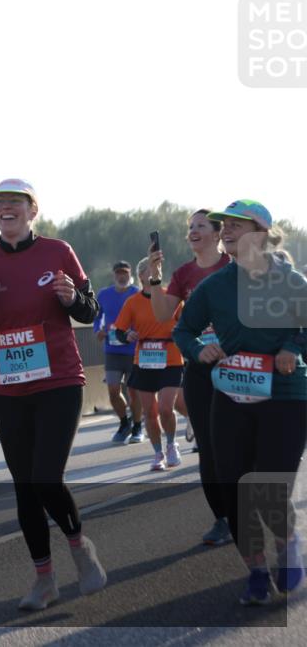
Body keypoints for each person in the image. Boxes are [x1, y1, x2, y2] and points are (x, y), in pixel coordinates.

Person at [0, 178, 106, 611]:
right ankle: (44, 580)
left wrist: (72, 296)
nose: (5, 208)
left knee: (45, 476)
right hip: (8, 388)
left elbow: (89, 311)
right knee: (25, 487)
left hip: (59, 380)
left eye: (14, 203)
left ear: (31, 210)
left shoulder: (58, 252)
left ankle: (79, 547)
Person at [173, 200, 307, 605]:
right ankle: (254, 570)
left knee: (268, 486)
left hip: (285, 396)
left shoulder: (291, 281)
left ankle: (286, 542)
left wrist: (290, 346)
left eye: (236, 225)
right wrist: (200, 351)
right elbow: (184, 331)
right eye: (223, 226)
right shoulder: (214, 286)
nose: (226, 231)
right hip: (231, 395)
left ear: (262, 233)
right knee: (232, 487)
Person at [148, 210, 231, 545]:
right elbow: (162, 315)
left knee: (238, 443)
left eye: (201, 226)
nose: (193, 231)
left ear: (217, 232)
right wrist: (155, 278)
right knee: (209, 448)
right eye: (190, 227)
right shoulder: (183, 273)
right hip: (198, 368)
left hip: (238, 366)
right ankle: (222, 519)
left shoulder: (234, 266)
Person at [112, 258, 186, 471]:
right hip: (144, 359)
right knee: (149, 412)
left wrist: (180, 331)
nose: (156, 272)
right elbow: (119, 330)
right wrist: (128, 335)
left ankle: (172, 444)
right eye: (151, 270)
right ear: (142, 276)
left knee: (165, 408)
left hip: (171, 358)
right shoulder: (132, 302)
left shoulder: (171, 297)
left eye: (159, 269)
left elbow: (187, 322)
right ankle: (157, 453)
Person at [94, 260, 143, 444]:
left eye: (125, 273)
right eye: (118, 273)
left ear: (130, 274)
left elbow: (146, 315)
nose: (121, 276)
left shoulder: (136, 293)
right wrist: (97, 330)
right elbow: (97, 317)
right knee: (113, 390)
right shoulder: (104, 295)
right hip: (112, 349)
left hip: (133, 349)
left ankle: (137, 426)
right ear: (114, 275)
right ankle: (125, 423)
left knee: (134, 391)